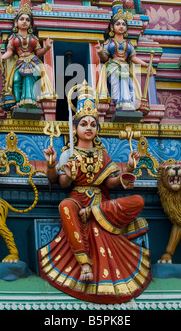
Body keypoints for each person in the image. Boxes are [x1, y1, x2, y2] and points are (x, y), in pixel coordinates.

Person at [39, 81, 151, 304]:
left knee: (138, 200)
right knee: (65, 206)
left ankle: (93, 212)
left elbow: (110, 183)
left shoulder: (103, 154)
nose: (89, 127)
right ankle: (85, 263)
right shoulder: (67, 154)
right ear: (75, 128)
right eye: (84, 124)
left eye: (93, 124)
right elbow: (60, 183)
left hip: (100, 204)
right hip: (77, 201)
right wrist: (56, 167)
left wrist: (127, 170)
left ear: (97, 130)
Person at [0, 0, 56, 108]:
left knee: (30, 78)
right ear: (16, 22)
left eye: (27, 20)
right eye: (22, 19)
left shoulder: (33, 37)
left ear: (30, 24)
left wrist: (47, 47)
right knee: (16, 80)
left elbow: (39, 52)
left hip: (33, 61)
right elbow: (9, 52)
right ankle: (18, 103)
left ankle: (29, 101)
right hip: (20, 61)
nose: (24, 22)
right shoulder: (13, 37)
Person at [95, 0, 153, 111]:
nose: (121, 26)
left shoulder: (128, 43)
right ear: (112, 27)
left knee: (128, 84)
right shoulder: (110, 42)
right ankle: (118, 102)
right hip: (113, 66)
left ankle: (127, 102)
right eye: (118, 24)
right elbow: (105, 58)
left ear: (126, 27)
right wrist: (100, 52)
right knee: (116, 82)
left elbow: (133, 57)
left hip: (125, 67)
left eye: (123, 24)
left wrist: (146, 64)